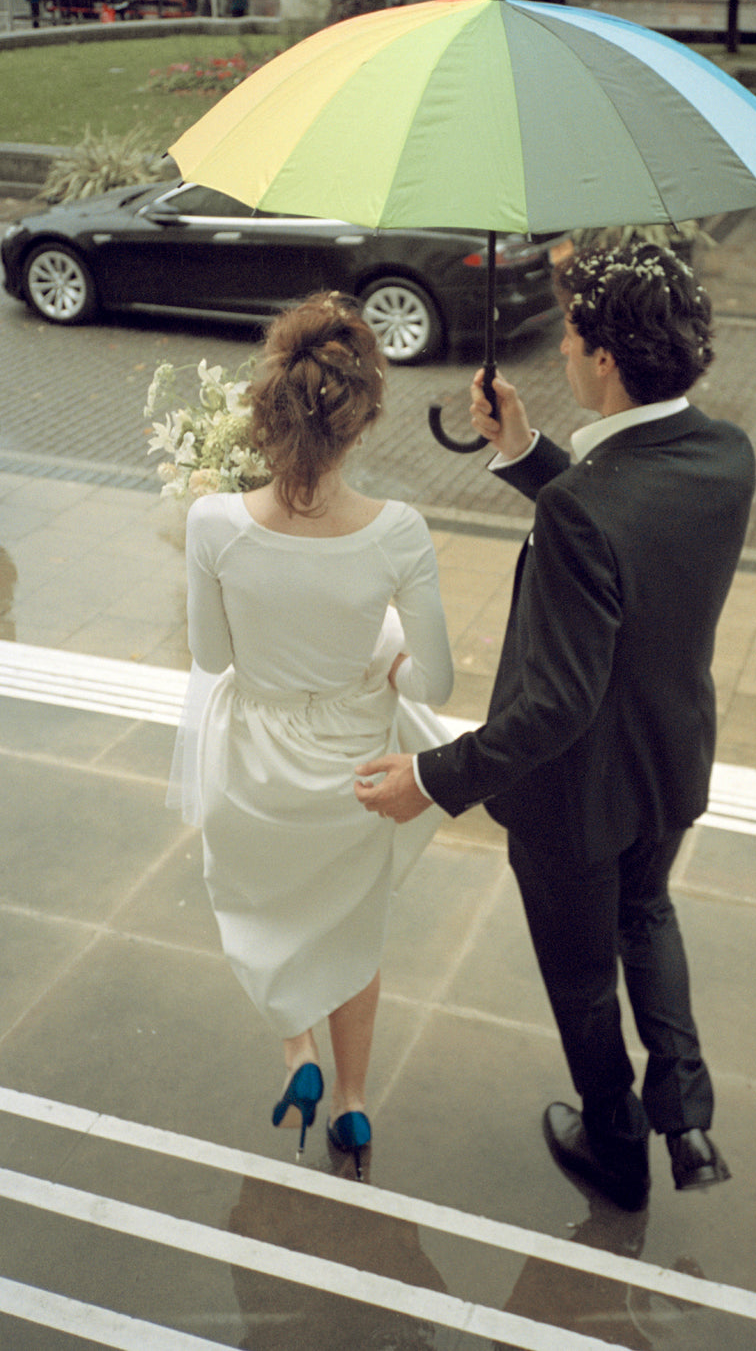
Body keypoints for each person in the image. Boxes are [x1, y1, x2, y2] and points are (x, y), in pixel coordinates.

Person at [355, 243, 756, 1211]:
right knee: (646, 912)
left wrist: (433, 778)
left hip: (574, 798)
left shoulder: (582, 506)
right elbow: (629, 528)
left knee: (581, 981)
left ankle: (616, 1146)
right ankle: (686, 1118)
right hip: (667, 761)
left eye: (573, 337)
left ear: (605, 359)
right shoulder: (724, 456)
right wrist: (527, 450)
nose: (564, 352)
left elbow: (556, 703)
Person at [180, 291, 454, 1170]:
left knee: (269, 912)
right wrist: (388, 656)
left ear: (266, 411)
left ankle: (297, 1054)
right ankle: (353, 1105)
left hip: (253, 769)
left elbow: (212, 656)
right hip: (352, 773)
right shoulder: (399, 533)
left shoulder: (212, 523)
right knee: (348, 930)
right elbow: (436, 683)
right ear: (361, 421)